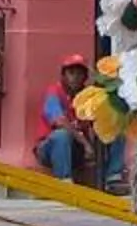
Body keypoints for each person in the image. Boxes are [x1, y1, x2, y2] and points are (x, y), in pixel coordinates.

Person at [33, 53, 104, 184]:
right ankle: (64, 180)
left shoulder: (88, 96)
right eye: (71, 73)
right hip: (49, 148)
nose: (75, 78)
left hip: (76, 149)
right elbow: (60, 122)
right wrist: (85, 143)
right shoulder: (54, 92)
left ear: (85, 77)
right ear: (64, 76)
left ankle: (112, 177)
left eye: (79, 74)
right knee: (62, 135)